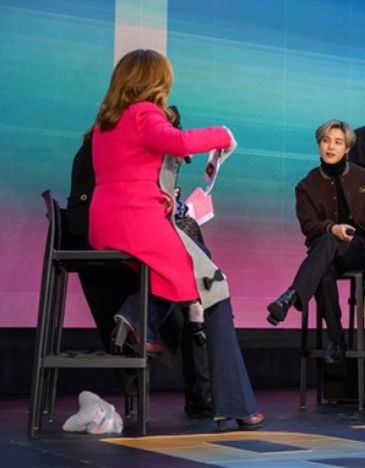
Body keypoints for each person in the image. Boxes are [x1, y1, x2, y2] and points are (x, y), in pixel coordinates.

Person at [88, 49, 261, 431]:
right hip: (137, 222)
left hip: (107, 222)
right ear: (154, 82)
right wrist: (223, 134)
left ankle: (137, 318)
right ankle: (234, 402)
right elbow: (179, 142)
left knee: (193, 271)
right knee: (213, 283)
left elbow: (132, 170)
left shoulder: (105, 122)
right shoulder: (143, 113)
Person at [67, 113, 213, 418]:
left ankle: (141, 326)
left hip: (90, 235)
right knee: (193, 272)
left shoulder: (100, 138)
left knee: (190, 270)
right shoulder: (123, 139)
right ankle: (201, 392)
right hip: (109, 242)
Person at [265, 120, 365, 363]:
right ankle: (336, 338)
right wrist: (332, 228)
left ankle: (292, 294)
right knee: (324, 270)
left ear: (347, 148)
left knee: (326, 246)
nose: (331, 147)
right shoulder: (306, 186)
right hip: (326, 252)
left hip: (361, 250)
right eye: (326, 141)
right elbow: (309, 226)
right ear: (319, 144)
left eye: (338, 142)